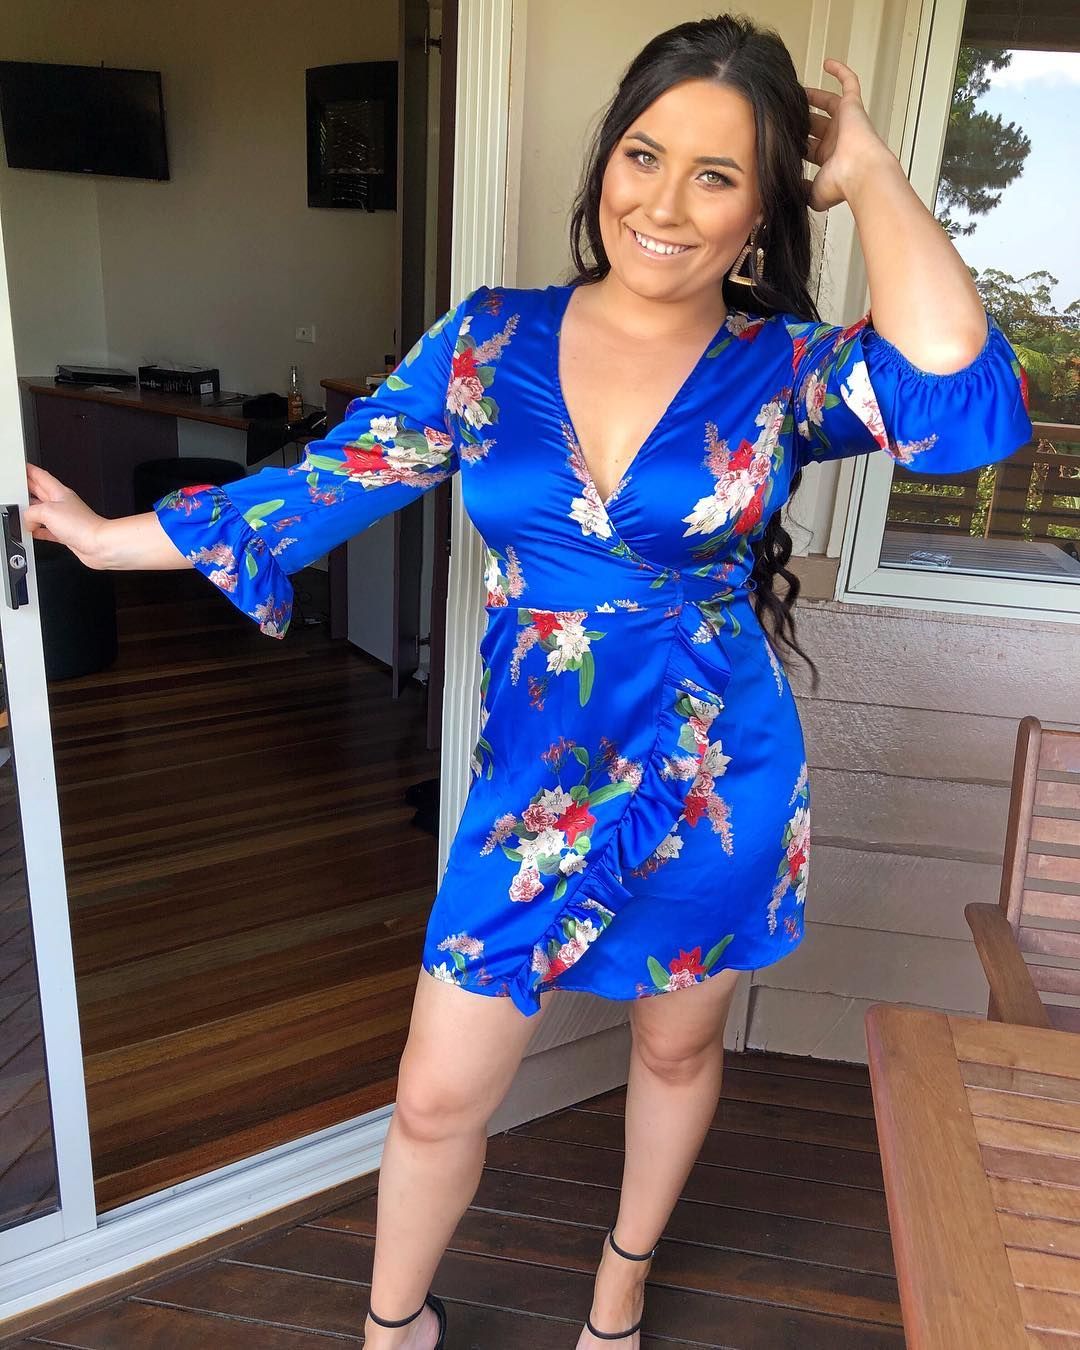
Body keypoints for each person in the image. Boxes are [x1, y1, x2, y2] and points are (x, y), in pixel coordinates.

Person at [25, 14, 1032, 1349]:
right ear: (605, 161)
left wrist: (875, 176)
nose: (662, 204)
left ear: (760, 215)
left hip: (715, 771)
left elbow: (961, 396)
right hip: (537, 791)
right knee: (436, 1094)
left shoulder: (782, 370)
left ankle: (621, 1282)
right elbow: (327, 478)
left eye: (717, 176)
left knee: (675, 1046)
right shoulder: (490, 343)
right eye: (643, 155)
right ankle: (394, 1327)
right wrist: (107, 541)